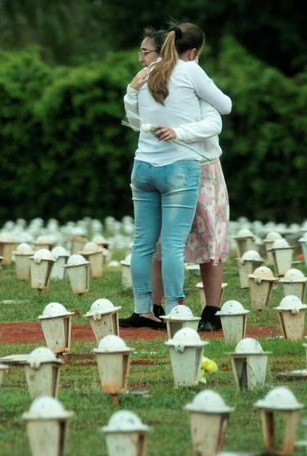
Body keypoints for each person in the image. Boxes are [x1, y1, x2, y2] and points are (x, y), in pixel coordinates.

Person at [119, 23, 231, 328]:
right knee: (173, 244)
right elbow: (225, 108)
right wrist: (180, 130)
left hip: (144, 165)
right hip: (182, 166)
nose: (141, 57)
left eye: (145, 52)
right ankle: (176, 309)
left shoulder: (149, 76)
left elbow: (135, 121)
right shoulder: (190, 72)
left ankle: (145, 309)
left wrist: (131, 91)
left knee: (144, 242)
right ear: (193, 52)